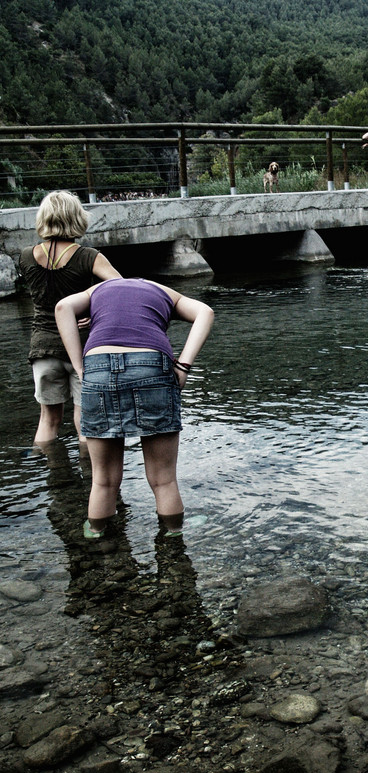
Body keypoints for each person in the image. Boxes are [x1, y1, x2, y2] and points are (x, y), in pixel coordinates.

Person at [54, 277, 214, 540]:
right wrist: (183, 366)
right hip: (151, 363)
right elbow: (205, 312)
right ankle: (173, 537)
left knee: (103, 480)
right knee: (164, 479)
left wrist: (81, 368)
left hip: (98, 365)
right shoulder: (164, 292)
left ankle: (98, 536)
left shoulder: (96, 290)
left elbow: (62, 308)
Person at [18, 190, 121, 444]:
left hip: (43, 348)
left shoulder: (26, 256)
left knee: (48, 419)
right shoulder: (88, 256)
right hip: (81, 346)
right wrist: (93, 313)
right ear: (76, 218)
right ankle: (91, 476)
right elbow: (122, 289)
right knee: (85, 418)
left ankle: (54, 474)